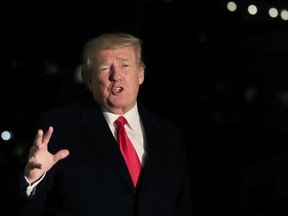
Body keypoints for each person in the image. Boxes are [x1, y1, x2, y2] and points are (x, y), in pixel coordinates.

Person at [8, 32, 193, 216]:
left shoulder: (170, 136)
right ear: (90, 81)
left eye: (125, 65)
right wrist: (32, 180)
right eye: (105, 68)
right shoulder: (57, 128)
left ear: (141, 74)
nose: (116, 76)